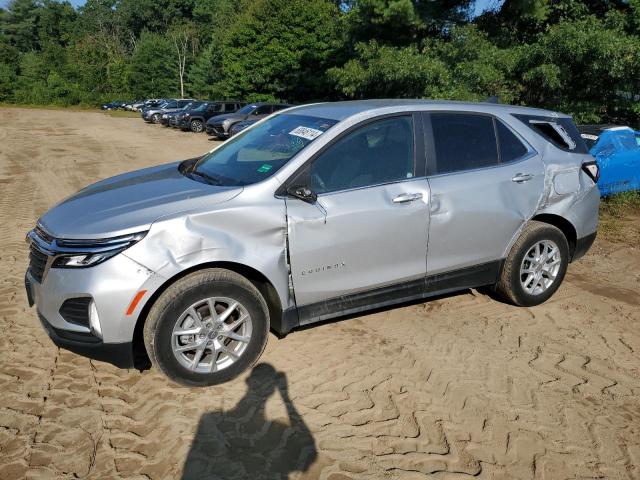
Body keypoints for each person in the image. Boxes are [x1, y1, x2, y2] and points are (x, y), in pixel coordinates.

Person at [182, 363, 317, 479]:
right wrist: (285, 397)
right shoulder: (277, 429)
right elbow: (308, 450)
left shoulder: (209, 419)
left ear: (248, 382)